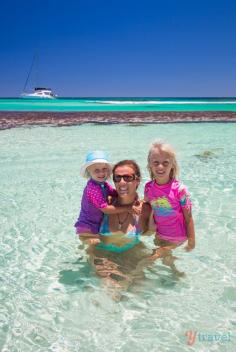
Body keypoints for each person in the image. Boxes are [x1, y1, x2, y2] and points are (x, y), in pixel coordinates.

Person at [84, 160, 152, 292]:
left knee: (142, 293)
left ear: (137, 180)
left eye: (127, 177)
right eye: (117, 178)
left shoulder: (145, 209)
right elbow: (85, 230)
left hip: (131, 255)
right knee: (108, 292)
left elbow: (163, 231)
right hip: (102, 255)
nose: (121, 182)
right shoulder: (105, 204)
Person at [144, 140, 195, 259]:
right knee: (167, 259)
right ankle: (175, 272)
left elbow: (188, 217)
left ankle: (135, 275)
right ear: (149, 165)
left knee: (152, 257)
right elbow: (147, 202)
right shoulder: (148, 187)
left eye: (165, 163)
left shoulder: (179, 190)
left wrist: (191, 240)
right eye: (156, 163)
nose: (160, 166)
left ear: (172, 165)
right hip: (160, 234)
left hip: (178, 236)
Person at [74, 151, 138, 240]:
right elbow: (106, 209)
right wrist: (127, 207)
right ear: (89, 171)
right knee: (94, 249)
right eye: (97, 170)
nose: (101, 173)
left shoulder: (103, 184)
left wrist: (131, 194)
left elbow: (114, 193)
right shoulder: (93, 189)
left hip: (94, 226)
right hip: (87, 228)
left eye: (104, 169)